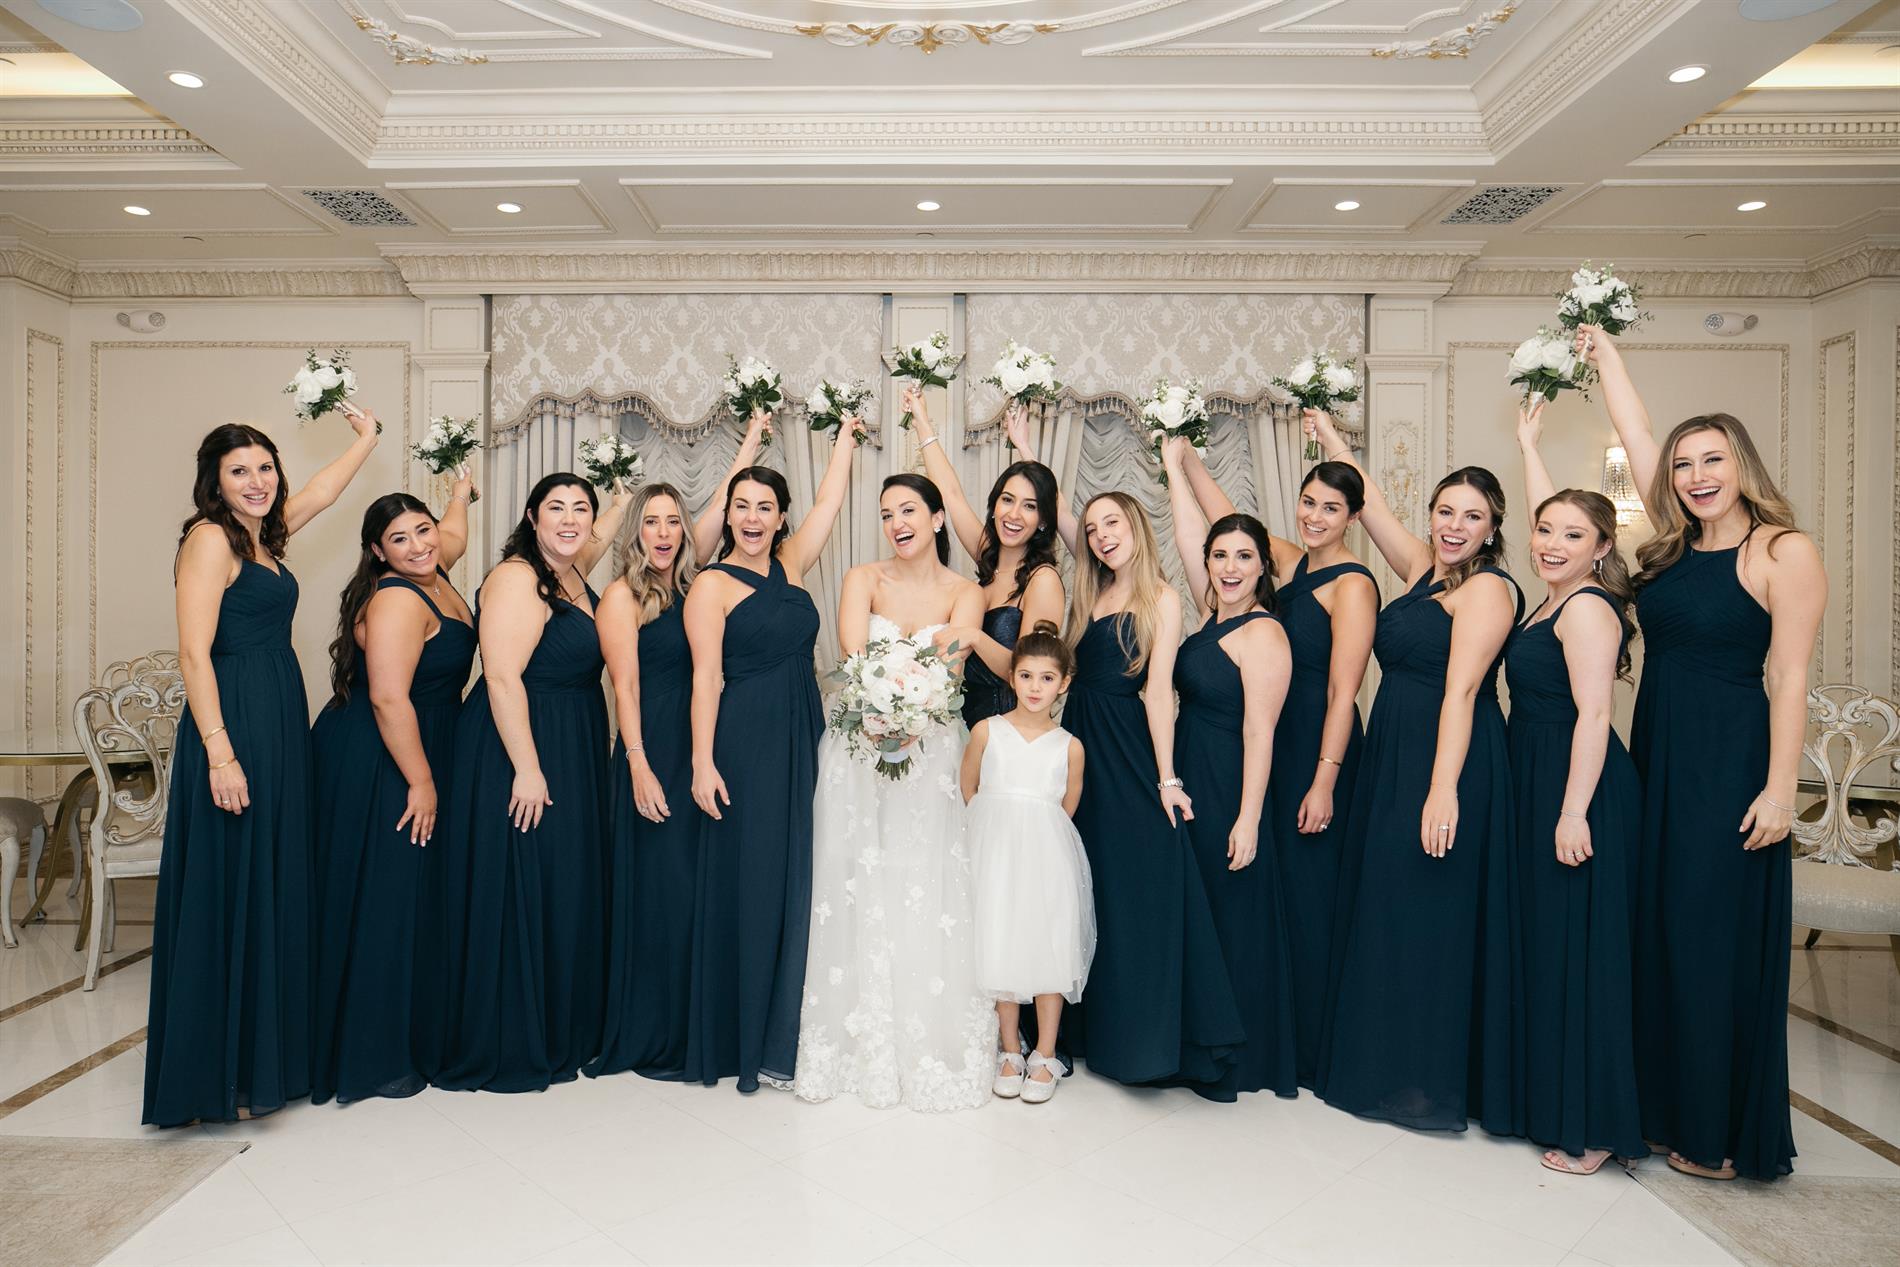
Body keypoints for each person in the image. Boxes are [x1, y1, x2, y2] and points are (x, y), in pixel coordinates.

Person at [1583, 325, 1824, 1181]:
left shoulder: (1783, 551)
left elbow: (1789, 677)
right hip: (1658, 754)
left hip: (1729, 765)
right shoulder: (1675, 541)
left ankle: (1716, 1128)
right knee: (1657, 932)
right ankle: (1657, 1108)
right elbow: (1638, 430)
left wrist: (1779, 789)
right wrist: (1606, 357)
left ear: (1742, 465)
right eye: (1684, 465)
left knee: (1708, 941)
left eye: (1712, 459)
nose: (1695, 475)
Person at [144, 403, 380, 1127]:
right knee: (232, 886)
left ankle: (261, 1063)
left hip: (276, 715)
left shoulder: (264, 536)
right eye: (239, 470)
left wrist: (367, 439)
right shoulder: (210, 538)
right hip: (235, 722)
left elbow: (322, 493)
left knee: (269, 880)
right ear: (214, 481)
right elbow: (193, 653)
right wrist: (220, 752)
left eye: (266, 467)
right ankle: (218, 1075)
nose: (257, 481)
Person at [1306, 408, 1521, 1133]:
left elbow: (1463, 692)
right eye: (1445, 511)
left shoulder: (1487, 588)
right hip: (1396, 754)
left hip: (1447, 760)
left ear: (1493, 527)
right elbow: (1369, 503)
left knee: (1432, 911)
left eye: (1472, 516)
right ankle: (1386, 1062)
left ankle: (1427, 1081)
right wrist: (1332, 439)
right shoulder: (1425, 568)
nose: (1454, 526)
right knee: (1392, 907)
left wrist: (1442, 790)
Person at [788, 473, 995, 1111]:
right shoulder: (863, 579)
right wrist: (881, 714)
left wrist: (911, 717)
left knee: (925, 878)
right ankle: (859, 1040)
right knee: (856, 878)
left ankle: (926, 1034)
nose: (896, 523)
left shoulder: (966, 592)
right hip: (859, 747)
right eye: (885, 513)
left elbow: (950, 669)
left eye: (908, 510)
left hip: (932, 751)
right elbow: (854, 657)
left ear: (937, 518)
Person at [1176, 447, 1377, 1088]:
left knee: (1311, 900)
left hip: (1317, 747)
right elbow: (1231, 531)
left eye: (1331, 508)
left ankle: (1313, 1051)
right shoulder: (1291, 563)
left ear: (1354, 517)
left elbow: (1343, 692)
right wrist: (1182, 458)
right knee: (1273, 896)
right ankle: (1267, 1031)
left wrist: (1325, 779)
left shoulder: (1353, 584)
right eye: (1308, 502)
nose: (1315, 516)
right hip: (1269, 743)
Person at [590, 416, 782, 1081]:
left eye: (674, 521)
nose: (666, 532)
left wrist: (750, 442)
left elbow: (727, 503)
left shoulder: (690, 583)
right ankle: (656, 1030)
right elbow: (624, 686)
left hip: (701, 746)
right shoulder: (621, 596)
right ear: (635, 531)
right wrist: (638, 764)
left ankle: (697, 1023)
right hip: (651, 752)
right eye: (652, 522)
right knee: (661, 891)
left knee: (696, 892)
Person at [683, 423, 859, 1092]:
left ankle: (789, 1030)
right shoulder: (710, 585)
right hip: (746, 740)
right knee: (755, 877)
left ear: (781, 516)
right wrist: (703, 761)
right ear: (728, 515)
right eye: (741, 506)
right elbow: (706, 678)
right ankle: (745, 1035)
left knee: (800, 873)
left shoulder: (791, 564)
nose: (752, 518)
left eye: (765, 507)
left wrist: (845, 437)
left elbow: (830, 502)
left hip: (804, 733)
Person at [1061, 491, 1244, 1091]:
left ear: (1137, 525)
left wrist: (1167, 779)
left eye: (1112, 522)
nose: (1102, 536)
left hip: (1124, 748)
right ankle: (1083, 1032)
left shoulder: (1160, 597)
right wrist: (1030, 452)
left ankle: (1143, 1041)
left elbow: (1159, 692)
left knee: (1136, 888)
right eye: (1092, 529)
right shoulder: (1089, 593)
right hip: (1078, 744)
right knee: (1084, 885)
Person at [436, 473, 611, 1093]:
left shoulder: (572, 573)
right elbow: (502, 677)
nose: (570, 519)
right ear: (532, 516)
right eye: (555, 508)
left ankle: (562, 1023)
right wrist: (529, 769)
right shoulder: (517, 576)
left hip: (571, 738)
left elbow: (602, 534)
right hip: (520, 744)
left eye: (581, 509)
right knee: (524, 879)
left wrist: (622, 500)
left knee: (560, 879)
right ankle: (513, 1033)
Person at [1507, 400, 1645, 1174]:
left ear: (1602, 548)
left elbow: (1596, 714)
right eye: (1544, 530)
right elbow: (1551, 512)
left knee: (1583, 955)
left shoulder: (1588, 608)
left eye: (1572, 535)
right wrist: (1529, 444)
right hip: (1539, 774)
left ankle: (1595, 1127)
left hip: (1577, 786)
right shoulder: (1555, 593)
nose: (1552, 543)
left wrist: (1572, 811)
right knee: (1551, 947)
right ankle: (1554, 1099)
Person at [311, 483, 476, 1105]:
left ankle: (410, 1026)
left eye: (423, 530)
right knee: (389, 895)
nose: (418, 545)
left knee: (414, 894)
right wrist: (422, 781)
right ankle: (373, 1050)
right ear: (378, 553)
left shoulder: (435, 569)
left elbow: (453, 534)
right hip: (383, 754)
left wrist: (459, 494)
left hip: (420, 740)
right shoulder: (398, 599)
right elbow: (386, 697)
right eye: (399, 539)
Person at [1162, 439, 1296, 1098]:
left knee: (1232, 911)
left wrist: (1248, 819)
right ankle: (1195, 1042)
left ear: (1263, 565)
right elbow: (1191, 534)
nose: (1228, 566)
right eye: (1220, 556)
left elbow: (1260, 731)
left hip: (1229, 782)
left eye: (1244, 556)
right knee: (1200, 912)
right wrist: (1173, 465)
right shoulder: (1210, 615)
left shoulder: (1264, 632)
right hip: (1190, 772)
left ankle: (1236, 1057)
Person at [963, 623, 1093, 1104]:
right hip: (995, 853)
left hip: (1046, 857)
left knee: (1047, 944)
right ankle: (1010, 1050)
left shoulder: (1070, 746)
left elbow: (1066, 806)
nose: (1035, 687)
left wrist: (1034, 834)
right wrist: (994, 832)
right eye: (1026, 676)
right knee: (1000, 939)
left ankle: (1045, 1052)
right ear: (1012, 677)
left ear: (1063, 683)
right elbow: (969, 788)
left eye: (1046, 678)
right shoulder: (987, 731)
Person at [908, 389, 1065, 726]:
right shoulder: (989, 560)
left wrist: (975, 637)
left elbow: (1032, 674)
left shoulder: (1043, 580)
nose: (1014, 514)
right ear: (994, 506)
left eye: (1030, 506)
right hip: (968, 723)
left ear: (1043, 521)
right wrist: (922, 422)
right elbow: (950, 494)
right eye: (1007, 500)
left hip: (1010, 728)